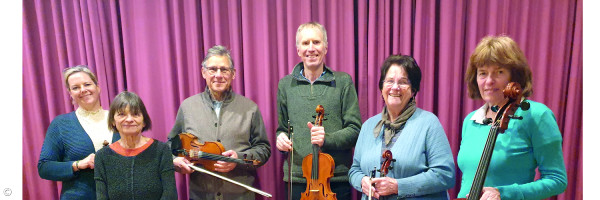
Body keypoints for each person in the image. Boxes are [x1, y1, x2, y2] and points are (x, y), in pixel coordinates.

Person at [457, 35, 567, 199]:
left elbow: (557, 179)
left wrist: (505, 193)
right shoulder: (471, 120)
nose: (488, 81)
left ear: (514, 77)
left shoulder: (536, 115)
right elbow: (468, 178)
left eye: (499, 72)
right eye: (482, 73)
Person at [167, 45, 271, 200]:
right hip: (201, 195)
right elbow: (170, 145)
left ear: (233, 74)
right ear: (203, 72)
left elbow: (263, 149)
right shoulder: (187, 107)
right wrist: (175, 161)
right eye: (213, 69)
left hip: (239, 196)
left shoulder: (250, 108)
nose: (218, 75)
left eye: (224, 70)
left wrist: (238, 159)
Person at [348, 55, 456, 199]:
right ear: (381, 88)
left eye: (403, 82)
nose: (395, 87)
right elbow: (354, 169)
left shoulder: (429, 123)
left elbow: (445, 174)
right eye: (390, 81)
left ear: (413, 90)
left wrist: (399, 187)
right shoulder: (368, 126)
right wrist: (362, 181)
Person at [275, 21, 362, 200]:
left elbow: (355, 130)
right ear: (298, 50)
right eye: (305, 43)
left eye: (316, 42)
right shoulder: (285, 85)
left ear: (326, 47)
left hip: (335, 178)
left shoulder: (343, 82)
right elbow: (283, 128)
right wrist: (281, 140)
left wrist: (327, 139)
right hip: (298, 178)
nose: (311, 48)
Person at [38, 65, 120, 199]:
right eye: (75, 88)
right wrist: (78, 165)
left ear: (97, 87)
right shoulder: (61, 124)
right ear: (70, 94)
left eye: (87, 84)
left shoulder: (120, 119)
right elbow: (44, 167)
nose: (83, 90)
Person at [94, 91, 177, 199]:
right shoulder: (102, 156)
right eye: (122, 114)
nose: (129, 119)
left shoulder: (161, 150)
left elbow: (170, 194)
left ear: (144, 121)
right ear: (113, 121)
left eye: (135, 114)